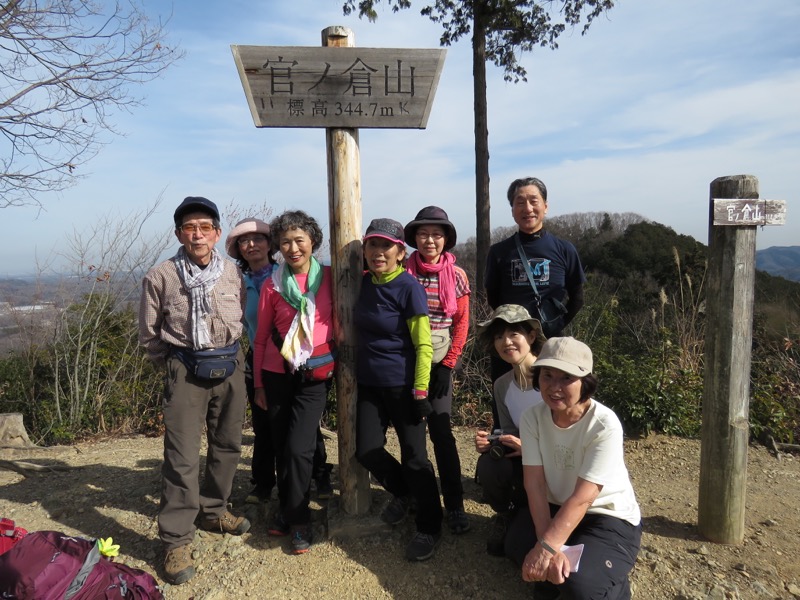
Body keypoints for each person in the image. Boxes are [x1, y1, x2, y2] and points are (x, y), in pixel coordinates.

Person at [139, 196, 250, 586]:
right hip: (184, 367)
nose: (197, 234)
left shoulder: (233, 272)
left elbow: (243, 313)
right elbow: (149, 333)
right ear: (178, 234)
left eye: (205, 227)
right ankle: (175, 539)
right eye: (190, 227)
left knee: (228, 444)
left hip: (230, 364)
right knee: (182, 456)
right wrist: (172, 366)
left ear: (217, 233)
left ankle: (214, 509)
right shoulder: (161, 275)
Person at [507, 336, 642, 600]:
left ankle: (615, 587)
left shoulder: (604, 424)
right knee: (515, 546)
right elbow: (534, 484)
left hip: (606, 515)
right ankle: (564, 570)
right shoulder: (532, 418)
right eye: (547, 376)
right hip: (557, 505)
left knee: (579, 585)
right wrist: (549, 545)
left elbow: (584, 497)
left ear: (585, 383)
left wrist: (545, 548)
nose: (554, 387)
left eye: (566, 378)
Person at [354, 218, 444, 562]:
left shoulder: (408, 287)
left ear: (400, 252)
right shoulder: (362, 284)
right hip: (369, 384)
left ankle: (430, 525)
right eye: (372, 245)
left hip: (404, 385)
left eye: (386, 246)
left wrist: (420, 390)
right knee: (366, 450)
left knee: (416, 457)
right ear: (364, 250)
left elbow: (423, 344)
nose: (378, 252)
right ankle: (404, 493)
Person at [225, 219, 332, 506]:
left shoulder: (284, 274)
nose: (251, 245)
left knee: (304, 428)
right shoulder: (236, 282)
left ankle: (319, 474)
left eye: (257, 239)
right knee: (265, 424)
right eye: (243, 242)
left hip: (305, 357)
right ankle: (263, 483)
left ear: (270, 244)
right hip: (264, 358)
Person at [252, 210, 334, 554]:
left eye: (299, 239)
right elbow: (259, 338)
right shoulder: (273, 283)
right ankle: (287, 510)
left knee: (300, 448)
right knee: (282, 447)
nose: (293, 247)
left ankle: (300, 520)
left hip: (314, 375)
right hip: (276, 373)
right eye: (285, 241)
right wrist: (257, 384)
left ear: (313, 241)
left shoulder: (332, 277)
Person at [483, 177, 586, 423]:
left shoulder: (564, 249)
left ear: (546, 206)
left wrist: (550, 327)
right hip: (510, 345)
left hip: (551, 345)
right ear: (512, 210)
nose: (527, 208)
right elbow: (494, 298)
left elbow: (578, 297)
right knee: (507, 405)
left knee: (554, 407)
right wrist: (516, 330)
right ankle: (507, 450)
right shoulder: (499, 252)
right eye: (520, 202)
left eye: (533, 201)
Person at [403, 206, 471, 535]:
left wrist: (449, 365)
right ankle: (419, 494)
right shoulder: (404, 270)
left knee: (442, 434)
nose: (430, 240)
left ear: (446, 239)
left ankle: (455, 503)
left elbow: (462, 323)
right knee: (412, 434)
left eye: (437, 234)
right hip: (407, 361)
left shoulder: (457, 276)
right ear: (414, 238)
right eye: (423, 234)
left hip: (441, 358)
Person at [474, 304, 546, 557]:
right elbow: (508, 430)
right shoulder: (502, 385)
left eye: (514, 333)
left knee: (520, 548)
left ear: (532, 336)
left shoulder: (553, 378)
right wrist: (492, 442)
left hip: (558, 465)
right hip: (524, 461)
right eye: (498, 336)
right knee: (489, 464)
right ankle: (506, 513)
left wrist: (533, 450)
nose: (506, 342)